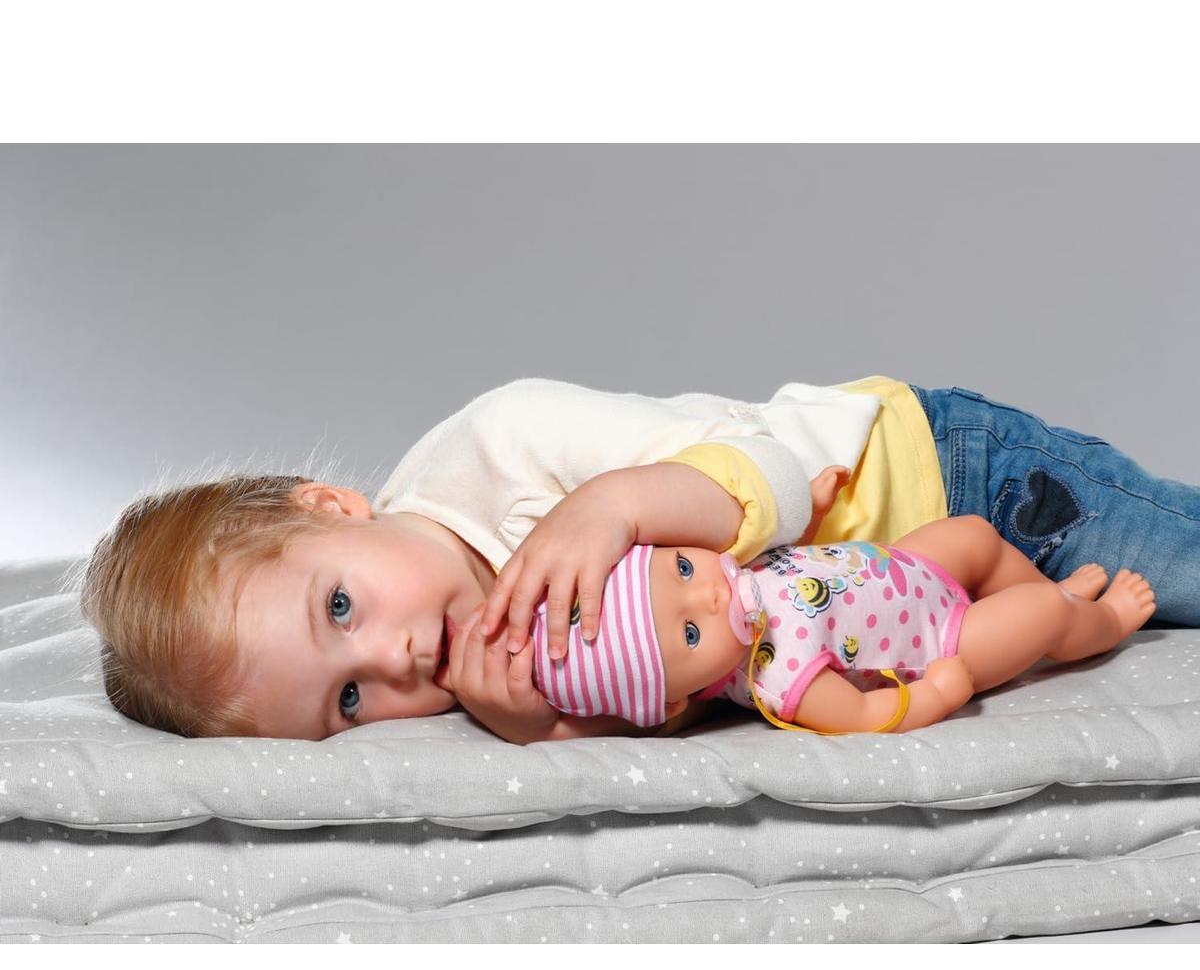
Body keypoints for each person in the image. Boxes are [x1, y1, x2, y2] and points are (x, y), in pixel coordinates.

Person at [75, 375, 1198, 743]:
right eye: (350, 700)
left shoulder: (505, 443)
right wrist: (539, 726)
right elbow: (674, 696)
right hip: (906, 620)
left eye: (339, 607)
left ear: (332, 506)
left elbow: (776, 466)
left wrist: (615, 505)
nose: (398, 655)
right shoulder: (494, 681)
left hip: (938, 476)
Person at [518, 510, 1156, 736]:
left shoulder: (738, 571)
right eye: (690, 633)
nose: (709, 595)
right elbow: (861, 717)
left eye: (683, 570)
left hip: (907, 567)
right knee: (1038, 617)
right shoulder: (778, 679)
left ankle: (1052, 591)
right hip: (941, 642)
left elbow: (806, 556)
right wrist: (936, 694)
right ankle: (1096, 622)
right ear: (675, 699)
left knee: (975, 536)